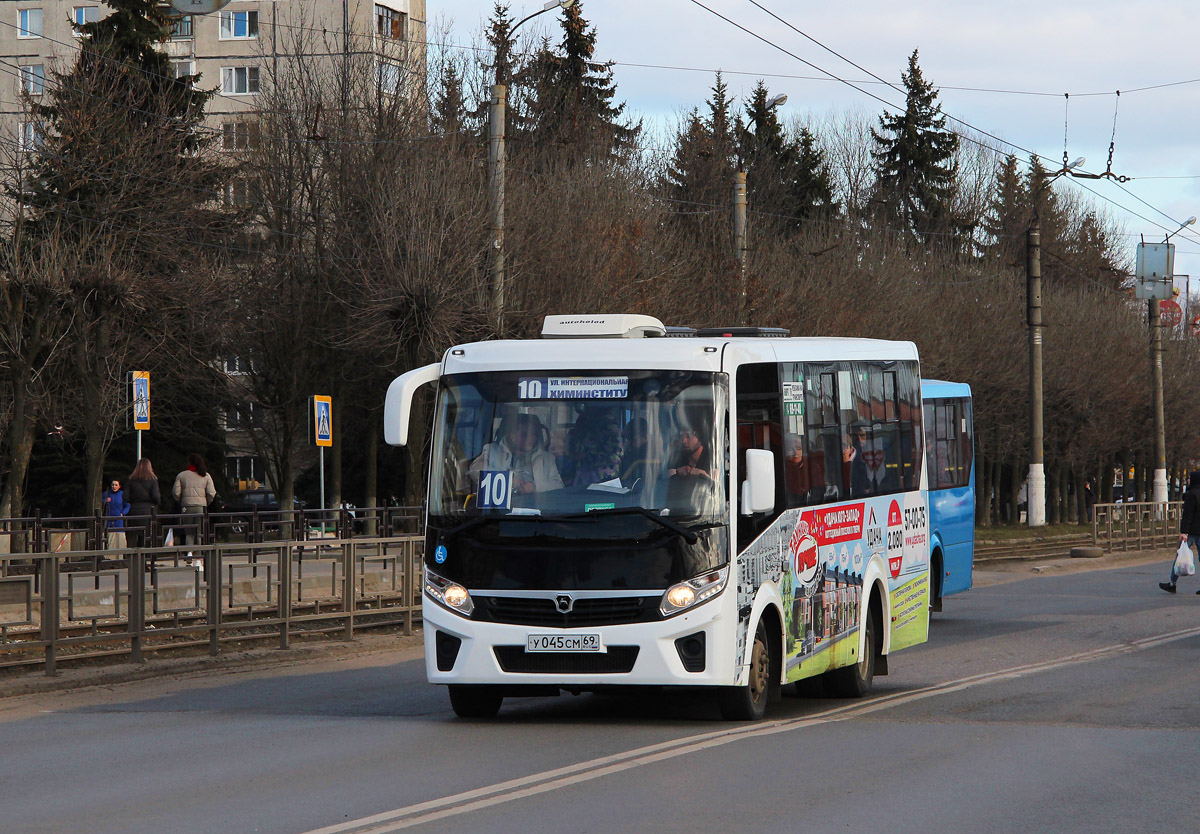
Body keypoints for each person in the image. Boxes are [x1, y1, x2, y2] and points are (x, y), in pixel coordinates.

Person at [468, 413, 563, 496]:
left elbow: (558, 486)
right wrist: (508, 480)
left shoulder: (547, 459)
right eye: (524, 434)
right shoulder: (492, 451)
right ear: (512, 435)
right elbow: (475, 470)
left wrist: (533, 487)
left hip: (538, 512)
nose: (530, 438)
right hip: (499, 513)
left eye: (533, 434)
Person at [1160, 470, 1200, 594]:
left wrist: (1184, 532)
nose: (1188, 480)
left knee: (1180, 558)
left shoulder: (1191, 494)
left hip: (1191, 532)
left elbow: (1188, 515)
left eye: (1189, 478)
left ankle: (1172, 583)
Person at [568, 409, 625, 487]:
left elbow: (616, 456)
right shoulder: (589, 423)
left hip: (603, 480)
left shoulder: (607, 427)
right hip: (588, 479)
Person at [173, 453, 216, 546]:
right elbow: (211, 493)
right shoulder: (205, 476)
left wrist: (182, 501)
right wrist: (206, 502)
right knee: (199, 533)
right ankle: (198, 555)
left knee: (189, 533)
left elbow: (176, 493)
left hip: (187, 507)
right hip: (201, 507)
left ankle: (189, 553)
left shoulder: (182, 475)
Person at [125, 458, 161, 548]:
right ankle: (147, 558)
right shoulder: (153, 480)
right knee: (148, 536)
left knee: (133, 536)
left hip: (134, 510)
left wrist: (134, 500)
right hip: (148, 511)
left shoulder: (131, 480)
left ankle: (133, 558)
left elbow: (125, 497)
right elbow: (156, 497)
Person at [102, 479, 130, 551]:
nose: (114, 486)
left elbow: (128, 505)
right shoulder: (106, 494)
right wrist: (105, 501)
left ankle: (120, 554)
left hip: (118, 519)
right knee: (109, 537)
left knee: (119, 536)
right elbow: (101, 503)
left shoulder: (122, 494)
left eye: (116, 485)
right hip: (108, 518)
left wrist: (123, 513)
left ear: (119, 486)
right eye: (113, 485)